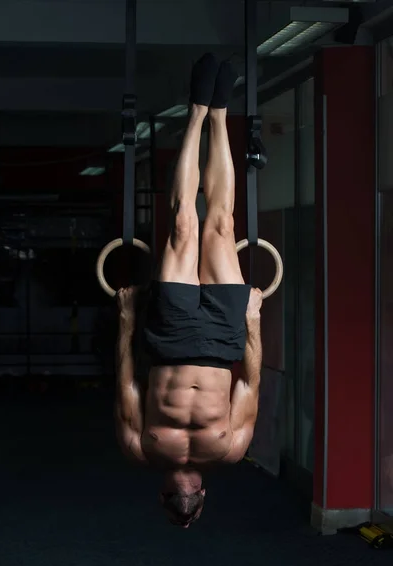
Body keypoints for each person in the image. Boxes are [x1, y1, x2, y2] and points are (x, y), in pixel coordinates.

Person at [115, 54, 263, 528]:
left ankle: (197, 111)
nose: (181, 497)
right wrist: (254, 323)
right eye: (188, 502)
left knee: (183, 225)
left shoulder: (141, 451)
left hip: (169, 340)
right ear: (201, 497)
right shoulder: (232, 451)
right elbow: (251, 383)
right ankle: (219, 115)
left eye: (174, 502)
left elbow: (126, 382)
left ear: (162, 497)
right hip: (222, 342)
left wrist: (126, 322)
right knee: (221, 225)